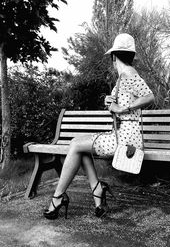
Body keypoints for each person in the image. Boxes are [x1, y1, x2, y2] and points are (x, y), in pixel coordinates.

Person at [43, 33, 155, 220]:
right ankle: (97, 191)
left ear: (114, 56)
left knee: (76, 145)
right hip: (122, 133)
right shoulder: (122, 78)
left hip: (126, 139)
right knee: (79, 145)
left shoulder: (128, 73)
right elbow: (120, 106)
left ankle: (58, 197)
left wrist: (122, 107)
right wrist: (110, 103)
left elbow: (149, 97)